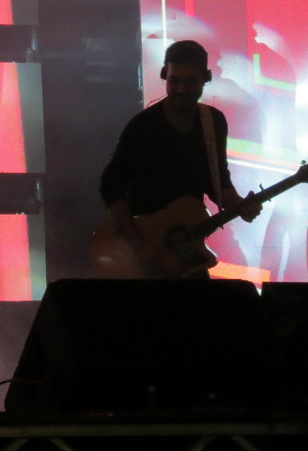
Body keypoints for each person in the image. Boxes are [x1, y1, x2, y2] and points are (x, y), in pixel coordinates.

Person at [98, 40, 261, 278]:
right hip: (145, 255)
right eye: (175, 80)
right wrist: (139, 246)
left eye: (191, 81)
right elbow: (111, 186)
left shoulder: (213, 122)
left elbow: (217, 181)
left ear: (206, 78)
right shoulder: (143, 126)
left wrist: (242, 206)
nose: (182, 89)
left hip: (186, 247)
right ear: (164, 75)